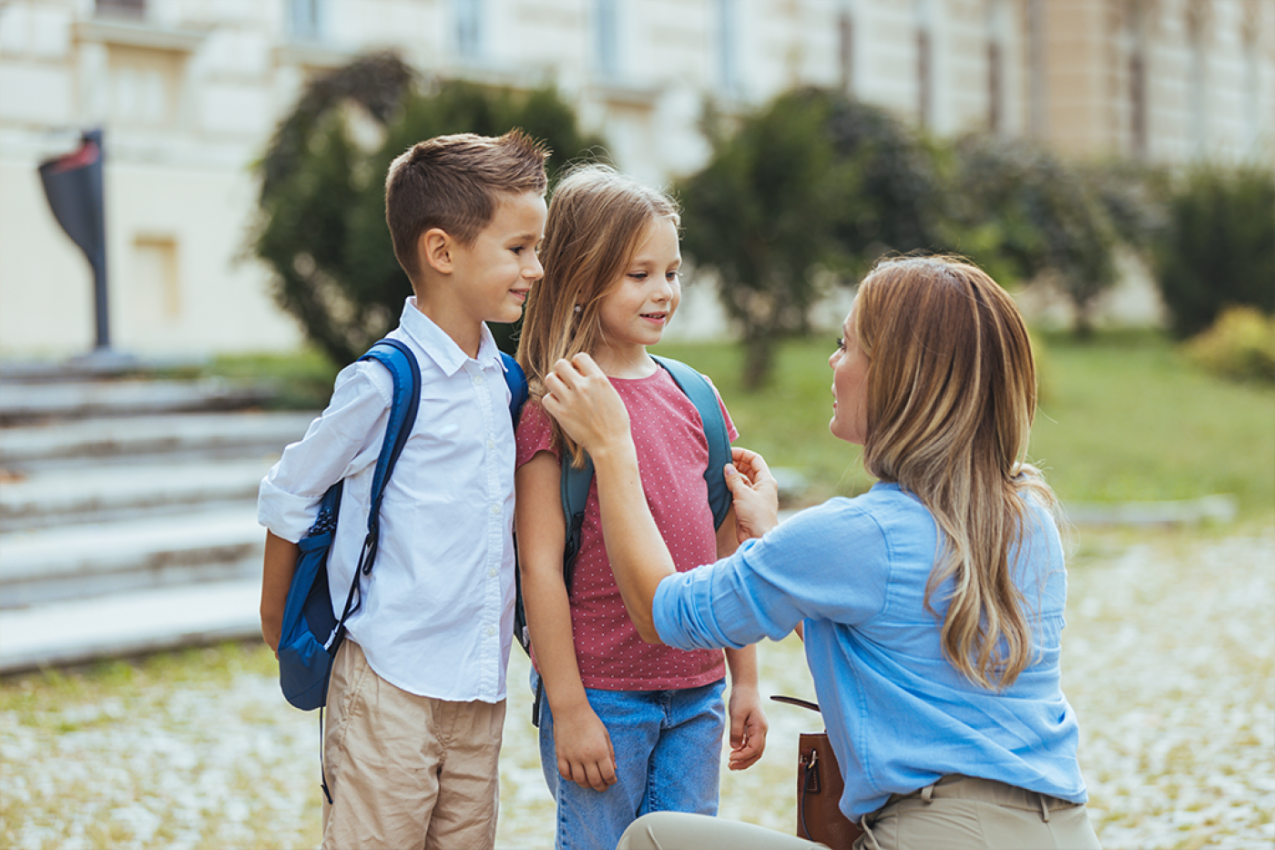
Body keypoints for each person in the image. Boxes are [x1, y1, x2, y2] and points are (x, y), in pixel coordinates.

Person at [540, 255, 1104, 850]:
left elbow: (663, 612)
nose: (834, 362)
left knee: (654, 838)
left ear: (897, 378)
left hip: (936, 835)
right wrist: (771, 537)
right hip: (1063, 829)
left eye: (847, 344)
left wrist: (613, 447)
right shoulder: (1027, 517)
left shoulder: (859, 534)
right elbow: (893, 638)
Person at [256, 130, 549, 850]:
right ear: (442, 252)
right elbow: (290, 493)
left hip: (478, 687)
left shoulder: (506, 382)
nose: (535, 269)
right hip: (387, 681)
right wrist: (277, 625)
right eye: (517, 249)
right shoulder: (383, 382)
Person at [513, 163, 769, 850]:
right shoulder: (556, 409)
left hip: (697, 698)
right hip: (603, 699)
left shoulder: (696, 397)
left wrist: (742, 680)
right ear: (581, 277)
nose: (663, 293)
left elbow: (726, 555)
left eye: (672, 273)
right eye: (638, 275)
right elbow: (537, 569)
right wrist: (566, 708)